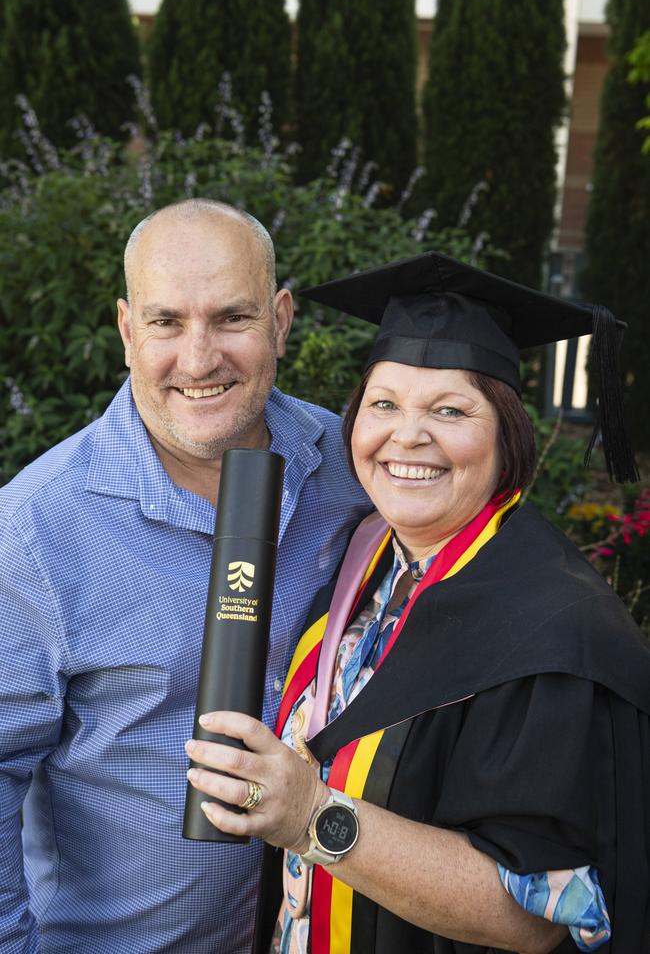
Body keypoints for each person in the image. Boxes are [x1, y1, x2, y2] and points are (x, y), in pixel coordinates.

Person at [185, 250, 650, 954]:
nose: (407, 435)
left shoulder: (555, 631)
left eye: (450, 410)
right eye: (384, 404)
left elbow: (539, 914)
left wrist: (310, 814)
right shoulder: (368, 558)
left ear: (507, 434)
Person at [0, 199, 371, 953]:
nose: (199, 359)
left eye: (232, 317)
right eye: (167, 322)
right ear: (128, 331)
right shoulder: (35, 528)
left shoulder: (356, 472)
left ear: (282, 319)